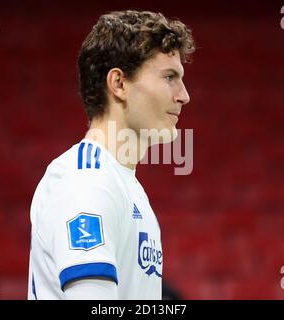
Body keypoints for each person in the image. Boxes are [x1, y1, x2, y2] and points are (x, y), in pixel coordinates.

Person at [27, 10, 195, 300]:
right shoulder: (86, 182)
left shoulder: (123, 184)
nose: (184, 95)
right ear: (118, 83)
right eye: (169, 77)